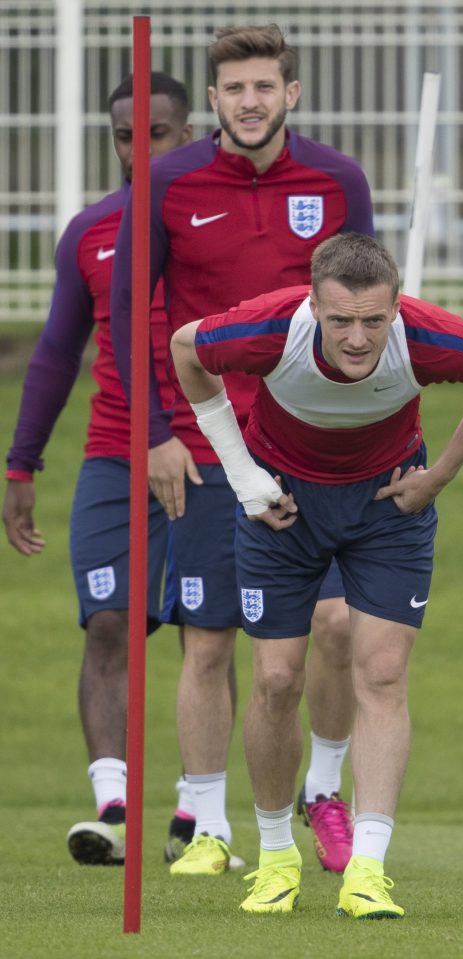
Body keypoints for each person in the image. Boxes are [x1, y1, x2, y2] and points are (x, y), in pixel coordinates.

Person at [169, 231, 463, 916]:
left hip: (386, 508)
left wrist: (442, 473)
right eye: (340, 320)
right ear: (313, 304)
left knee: (383, 673)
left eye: (373, 320)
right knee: (275, 679)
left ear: (396, 308)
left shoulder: (425, 337)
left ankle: (367, 867)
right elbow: (187, 347)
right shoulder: (272, 326)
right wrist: (242, 474)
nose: (358, 338)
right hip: (283, 507)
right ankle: (276, 857)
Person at [110, 23, 374, 877]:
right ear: (212, 103)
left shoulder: (337, 180)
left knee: (334, 627)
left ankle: (324, 792)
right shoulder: (168, 180)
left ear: (289, 94)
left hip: (320, 444)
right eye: (234, 89)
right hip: (206, 447)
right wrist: (152, 433)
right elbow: (125, 314)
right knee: (210, 642)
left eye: (264, 87)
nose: (250, 102)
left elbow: (371, 304)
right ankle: (209, 826)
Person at [2, 73, 193, 866]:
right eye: (124, 134)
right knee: (108, 621)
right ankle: (111, 806)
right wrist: (21, 462)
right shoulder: (90, 230)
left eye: (157, 132)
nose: (139, 147)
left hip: (208, 450)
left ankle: (197, 816)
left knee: (204, 631)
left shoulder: (211, 225)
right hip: (114, 452)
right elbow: (54, 353)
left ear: (188, 132)